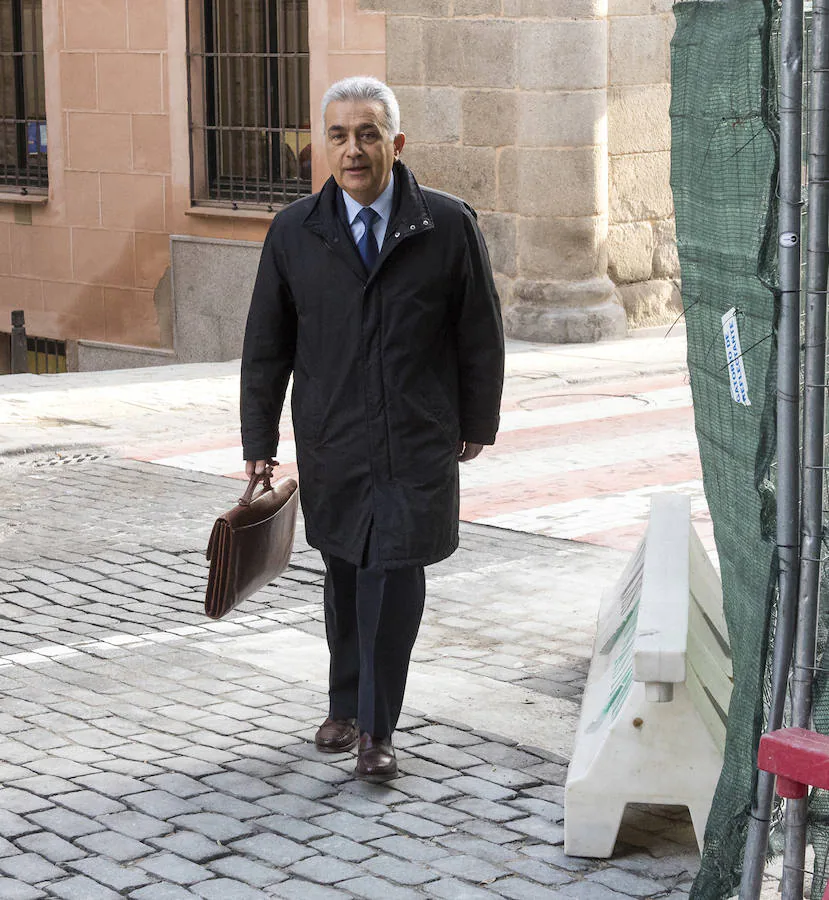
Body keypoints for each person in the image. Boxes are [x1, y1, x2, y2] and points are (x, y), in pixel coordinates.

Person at [240, 76, 504, 782]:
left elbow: (479, 333)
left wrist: (477, 420)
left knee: (393, 569)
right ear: (320, 145)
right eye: (338, 135)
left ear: (396, 142)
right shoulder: (295, 231)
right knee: (344, 568)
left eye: (366, 134)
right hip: (331, 437)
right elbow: (267, 346)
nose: (352, 149)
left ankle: (377, 730)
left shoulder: (447, 226)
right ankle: (345, 701)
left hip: (416, 436)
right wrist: (257, 443)